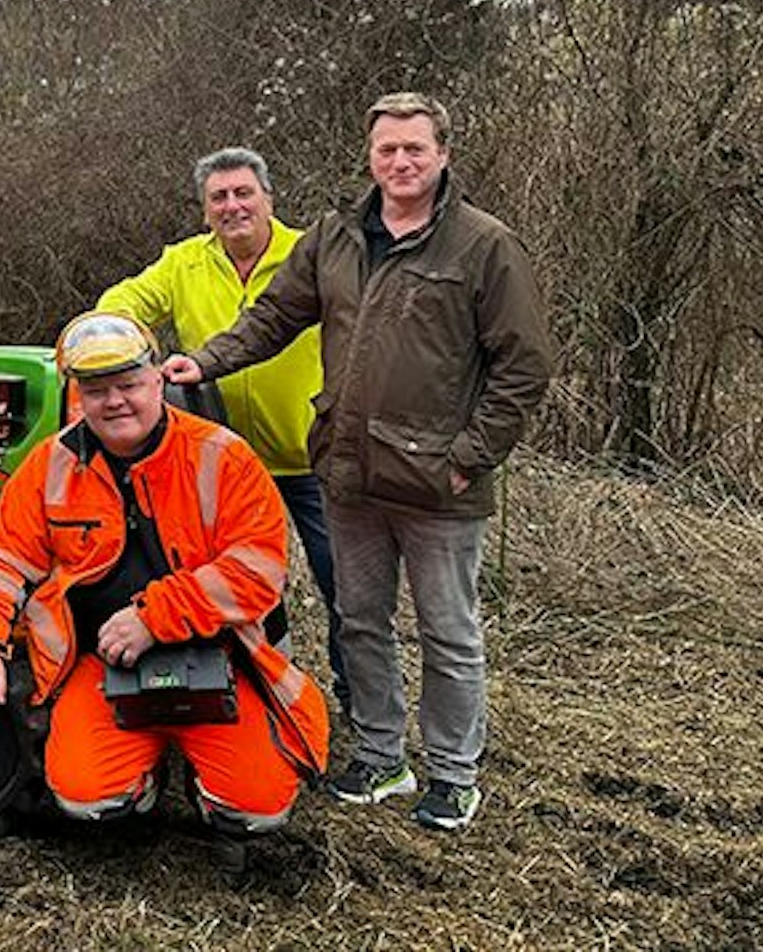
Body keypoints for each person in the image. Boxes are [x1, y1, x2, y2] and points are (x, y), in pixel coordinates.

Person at [162, 93, 551, 831]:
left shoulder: (483, 245)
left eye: (414, 148)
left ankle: (453, 774)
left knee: (448, 632)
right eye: (387, 150)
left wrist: (469, 457)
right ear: (370, 157)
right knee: (360, 620)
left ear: (442, 154)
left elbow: (523, 367)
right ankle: (379, 756)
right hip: (349, 473)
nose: (400, 162)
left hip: (439, 483)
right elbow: (274, 316)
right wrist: (204, 362)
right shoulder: (336, 236)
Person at [0, 311, 329, 850]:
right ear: (78, 396)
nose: (115, 402)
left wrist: (153, 618)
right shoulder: (47, 467)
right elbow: (5, 558)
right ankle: (141, 783)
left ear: (157, 379)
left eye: (129, 385)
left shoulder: (224, 457)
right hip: (100, 663)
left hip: (219, 657)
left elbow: (257, 570)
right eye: (96, 390)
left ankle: (205, 786)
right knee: (85, 797)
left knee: (256, 807)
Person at [97, 147, 347, 714]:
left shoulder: (310, 255)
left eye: (243, 193)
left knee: (344, 586)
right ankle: (255, 692)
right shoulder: (183, 263)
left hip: (312, 457)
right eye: (219, 197)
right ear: (205, 209)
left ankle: (354, 700)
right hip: (220, 468)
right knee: (234, 585)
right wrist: (123, 346)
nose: (232, 206)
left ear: (268, 199)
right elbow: (123, 302)